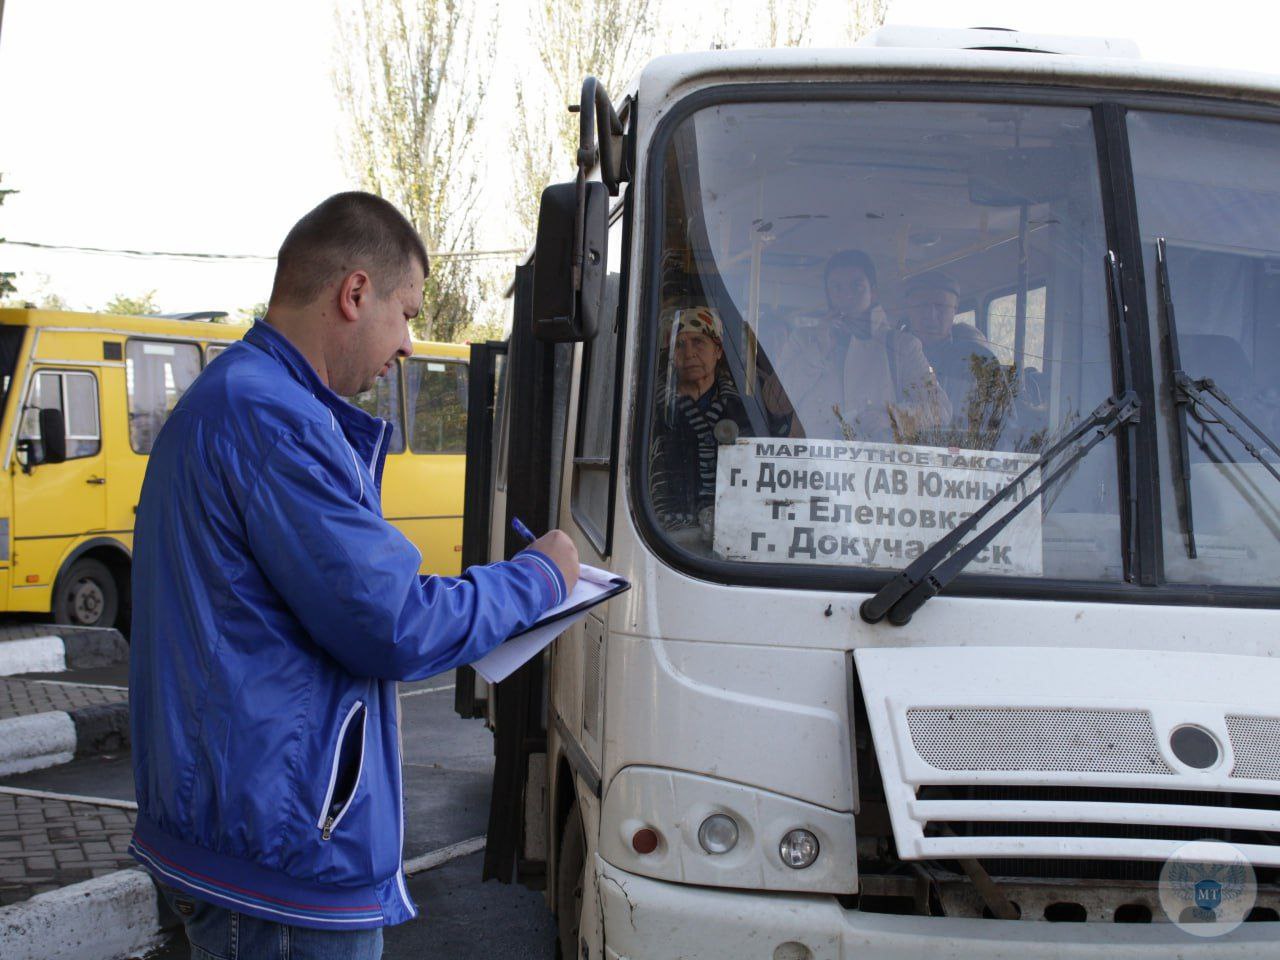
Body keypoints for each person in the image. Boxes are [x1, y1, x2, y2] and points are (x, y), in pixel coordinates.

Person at [127, 192, 579, 959]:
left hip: (252, 845)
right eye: (405, 313)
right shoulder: (272, 421)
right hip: (275, 864)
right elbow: (393, 622)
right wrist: (540, 579)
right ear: (355, 293)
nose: (408, 344)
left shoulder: (240, 400)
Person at [763, 249, 948, 441]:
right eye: (837, 288)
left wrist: (891, 418)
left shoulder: (901, 346)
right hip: (811, 465)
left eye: (856, 287)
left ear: (873, 292)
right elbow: (774, 403)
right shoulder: (802, 340)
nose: (847, 296)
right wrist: (817, 351)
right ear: (828, 294)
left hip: (875, 466)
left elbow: (938, 409)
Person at [649, 306, 750, 537]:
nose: (689, 353)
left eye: (698, 341)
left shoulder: (740, 410)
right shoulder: (653, 409)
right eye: (680, 344)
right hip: (666, 535)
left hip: (733, 532)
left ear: (718, 350)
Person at [903, 271, 1014, 443]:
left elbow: (1007, 433)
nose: (931, 315)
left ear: (954, 310)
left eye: (941, 306)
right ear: (909, 309)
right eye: (922, 306)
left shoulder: (980, 361)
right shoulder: (889, 356)